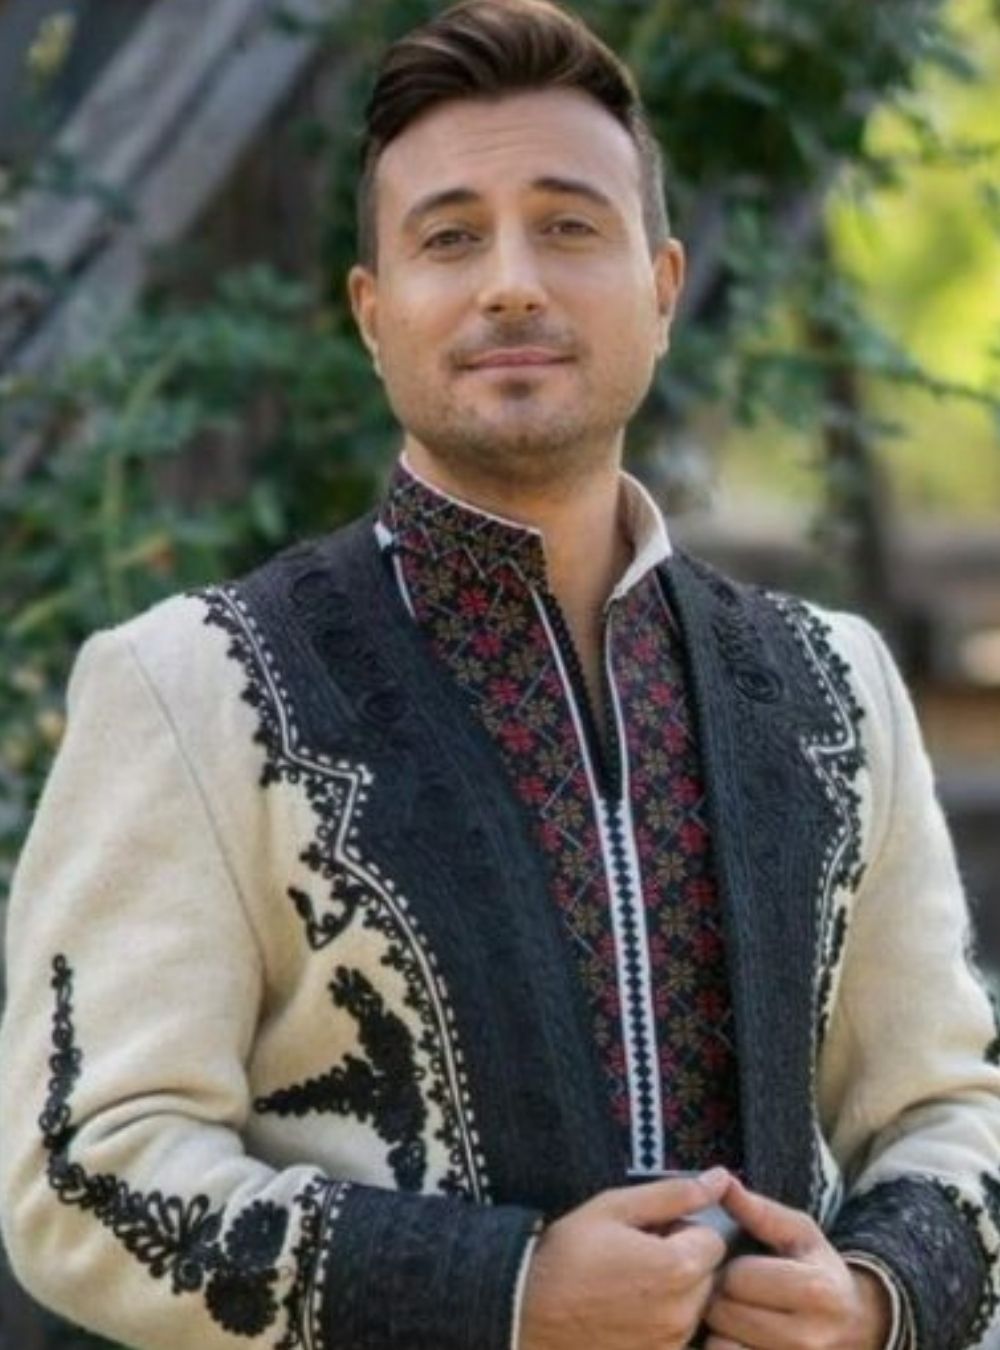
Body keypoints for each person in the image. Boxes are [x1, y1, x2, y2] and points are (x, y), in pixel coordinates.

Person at [2, 1, 999, 1347]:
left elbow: (948, 1107)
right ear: (374, 314)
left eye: (570, 226)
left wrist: (875, 1299)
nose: (512, 282)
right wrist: (506, 1292)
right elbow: (83, 1164)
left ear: (662, 286)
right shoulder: (191, 687)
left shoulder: (833, 684)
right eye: (450, 237)